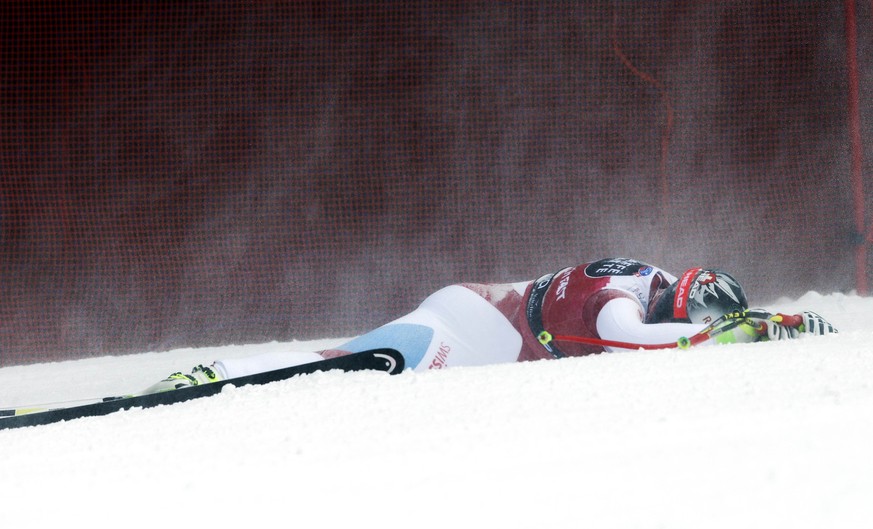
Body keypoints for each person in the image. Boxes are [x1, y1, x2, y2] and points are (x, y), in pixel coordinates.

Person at [144, 257, 838, 393]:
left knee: (357, 359)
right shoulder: (619, 307)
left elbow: (685, 322)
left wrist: (765, 320)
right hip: (478, 332)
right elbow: (650, 343)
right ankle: (218, 376)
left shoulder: (647, 276)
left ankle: (221, 374)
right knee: (357, 365)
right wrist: (743, 330)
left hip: (480, 313)